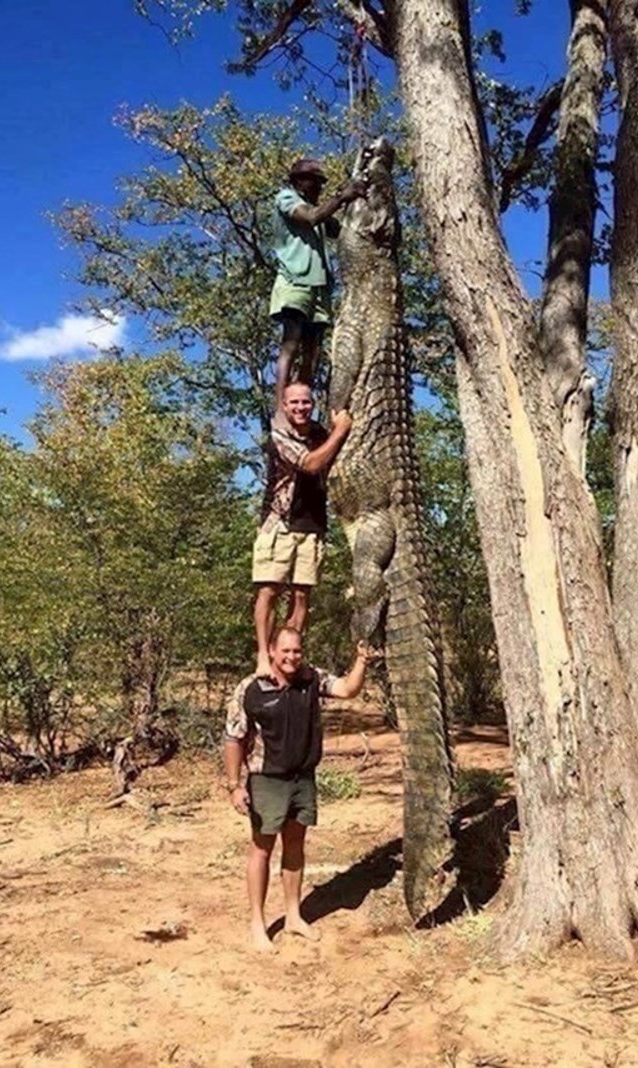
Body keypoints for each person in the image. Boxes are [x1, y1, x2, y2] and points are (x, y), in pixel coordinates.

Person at [224, 626, 373, 952]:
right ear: (272, 652)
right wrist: (235, 785)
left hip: (302, 778)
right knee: (261, 849)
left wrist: (362, 659)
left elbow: (347, 689)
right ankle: (257, 923)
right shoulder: (251, 688)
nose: (292, 657)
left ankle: (293, 916)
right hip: (267, 780)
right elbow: (234, 738)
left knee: (295, 845)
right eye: (286, 651)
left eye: (297, 651)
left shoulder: (310, 678)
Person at [251, 381, 351, 677]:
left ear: (313, 404)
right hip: (279, 524)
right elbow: (310, 463)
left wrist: (335, 431)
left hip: (313, 524)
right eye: (294, 402)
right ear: (284, 405)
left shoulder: (321, 433)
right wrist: (341, 431)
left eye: (305, 402)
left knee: (302, 596)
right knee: (269, 591)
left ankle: (288, 657)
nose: (300, 408)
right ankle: (263, 655)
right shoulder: (279, 436)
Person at [270, 157, 365, 404]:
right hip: (295, 281)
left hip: (319, 286)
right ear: (300, 182)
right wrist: (341, 197)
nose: (319, 187)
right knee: (291, 342)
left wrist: (352, 200)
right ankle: (280, 405)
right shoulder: (287, 199)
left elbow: (342, 229)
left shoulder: (320, 213)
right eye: (315, 182)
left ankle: (302, 404)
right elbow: (310, 217)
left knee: (312, 351)